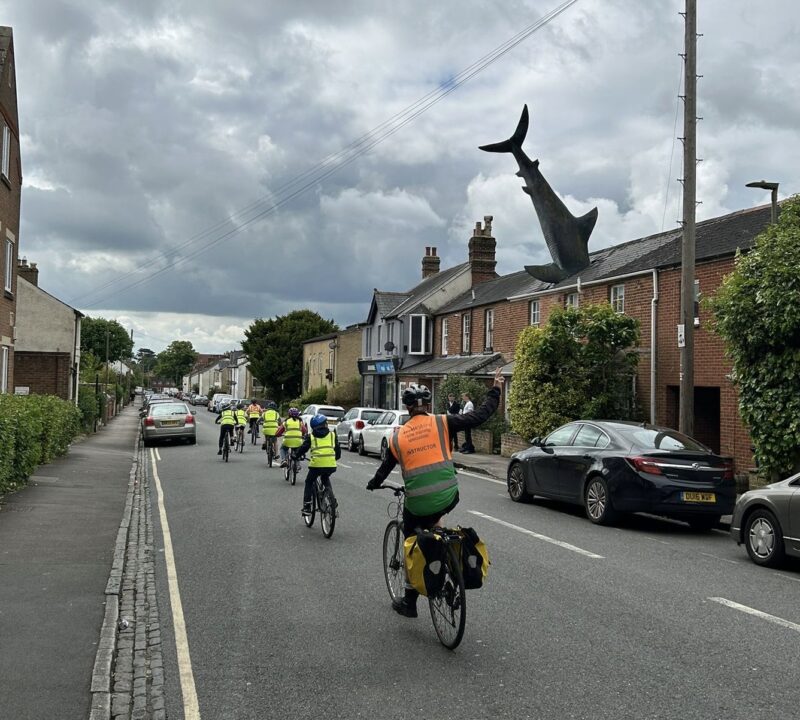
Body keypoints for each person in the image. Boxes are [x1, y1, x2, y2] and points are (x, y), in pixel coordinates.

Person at [366, 368, 504, 618]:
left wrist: (374, 483)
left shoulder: (398, 437)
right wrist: (495, 388)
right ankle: (445, 555)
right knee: (437, 514)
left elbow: (384, 469)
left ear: (407, 408)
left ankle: (409, 601)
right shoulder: (443, 422)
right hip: (449, 497)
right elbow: (479, 416)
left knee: (411, 541)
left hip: (417, 504)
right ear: (427, 405)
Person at [295, 413, 341, 517]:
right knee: (325, 478)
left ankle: (307, 506)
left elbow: (303, 448)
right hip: (331, 465)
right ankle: (332, 501)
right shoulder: (332, 435)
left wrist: (296, 456)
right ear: (325, 425)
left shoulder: (311, 437)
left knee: (309, 481)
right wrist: (335, 458)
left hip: (316, 465)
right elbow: (337, 450)